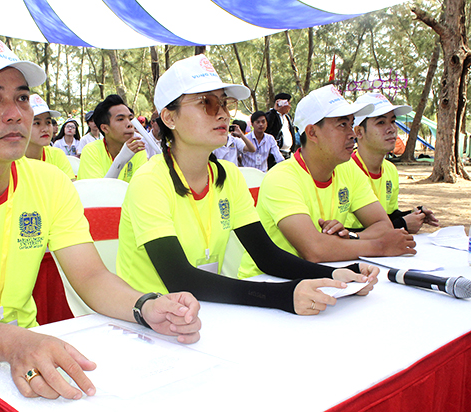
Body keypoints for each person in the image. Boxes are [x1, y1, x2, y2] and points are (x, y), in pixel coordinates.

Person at [0, 33, 201, 412]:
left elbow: (92, 278)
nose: (15, 112)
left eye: (21, 97)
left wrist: (146, 306)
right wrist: (18, 345)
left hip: (30, 347)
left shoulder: (50, 183)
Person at [116, 54, 378, 319]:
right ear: (169, 118)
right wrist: (283, 295)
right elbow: (181, 279)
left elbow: (266, 255)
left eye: (224, 103)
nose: (222, 113)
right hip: (149, 323)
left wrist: (337, 274)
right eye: (206, 103)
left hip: (204, 313)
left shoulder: (228, 175)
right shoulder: (149, 181)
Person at [238, 85, 416, 279]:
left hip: (323, 276)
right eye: (342, 125)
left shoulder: (348, 170)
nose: (352, 133)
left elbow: (383, 225)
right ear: (312, 133)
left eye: (351, 124)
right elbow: (314, 250)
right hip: (268, 282)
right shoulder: (282, 178)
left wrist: (350, 237)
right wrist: (380, 246)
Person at [345, 93, 439, 233]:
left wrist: (413, 215)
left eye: (393, 121)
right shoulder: (343, 171)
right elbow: (346, 233)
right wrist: (402, 224)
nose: (392, 129)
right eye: (381, 122)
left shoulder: (390, 170)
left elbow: (387, 216)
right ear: (359, 132)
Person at [77, 94, 147, 182]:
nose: (129, 124)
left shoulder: (138, 150)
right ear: (105, 128)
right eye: (120, 119)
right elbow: (98, 193)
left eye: (130, 118)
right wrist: (121, 159)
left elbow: (141, 187)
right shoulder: (91, 151)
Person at [26, 94, 76, 179]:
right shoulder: (11, 161)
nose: (45, 129)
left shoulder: (57, 155)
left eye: (48, 122)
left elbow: (71, 186)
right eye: (37, 123)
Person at [265, 92, 298, 159]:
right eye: (288, 103)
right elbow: (267, 127)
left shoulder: (288, 117)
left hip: (288, 153)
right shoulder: (271, 115)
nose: (290, 106)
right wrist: (275, 110)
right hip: (275, 153)